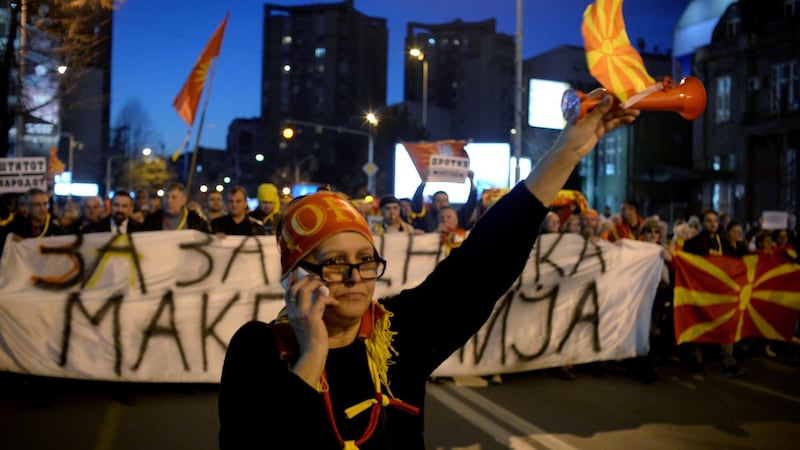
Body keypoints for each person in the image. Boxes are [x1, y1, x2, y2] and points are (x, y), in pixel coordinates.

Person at [217, 92, 638, 449]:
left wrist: (567, 152)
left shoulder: (395, 335)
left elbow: (485, 261)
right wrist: (312, 354)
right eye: (334, 262)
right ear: (295, 275)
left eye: (365, 259)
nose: (354, 276)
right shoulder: (258, 349)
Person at [141, 182, 210, 232]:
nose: (169, 201)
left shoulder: (196, 220)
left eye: (174, 197)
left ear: (183, 200)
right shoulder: (151, 220)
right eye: (166, 197)